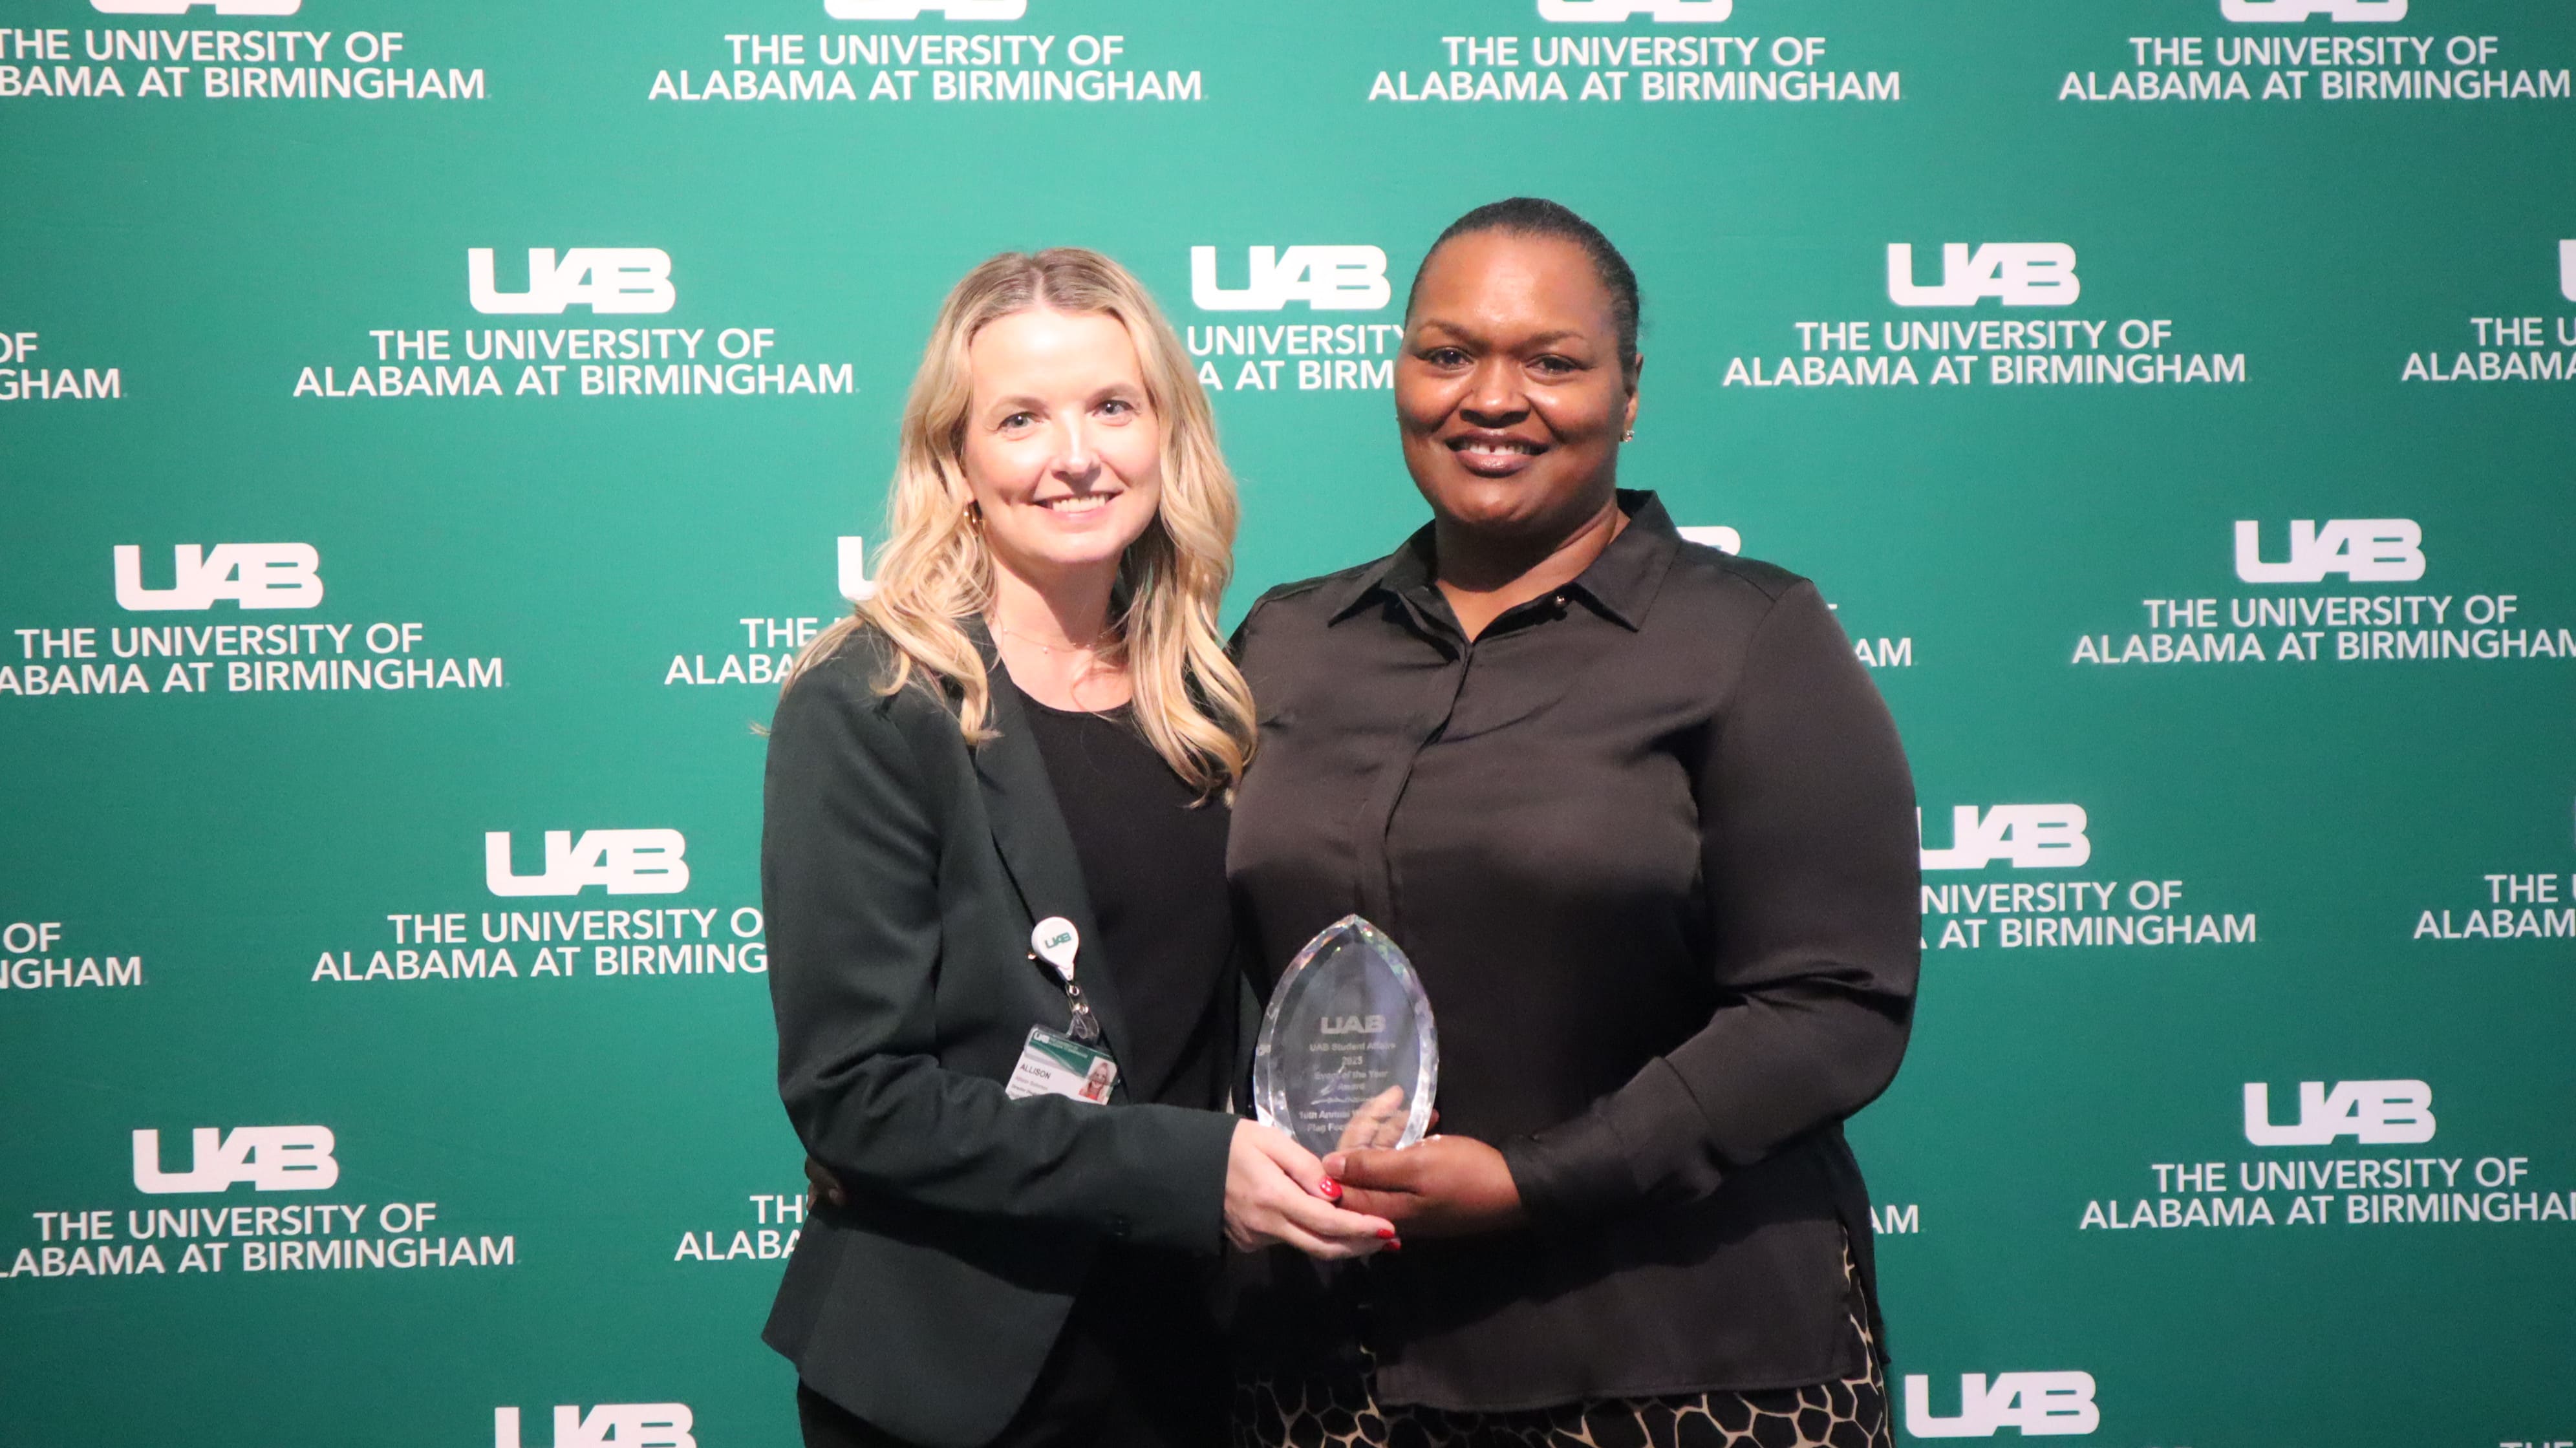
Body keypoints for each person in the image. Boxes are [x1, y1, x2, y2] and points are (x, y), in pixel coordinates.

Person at [1225, 199, 1920, 1447]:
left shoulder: (1751, 638)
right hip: (1335, 1376)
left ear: (1630, 391)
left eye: (1551, 360)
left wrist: (1532, 1183)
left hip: (1678, 1371)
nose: (1491, 398)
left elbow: (1833, 1006)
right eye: (1447, 354)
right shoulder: (1287, 643)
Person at [763, 248, 1393, 1448]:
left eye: (1113, 406)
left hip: (1198, 1354)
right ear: (955, 461)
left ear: (1168, 431)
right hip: (965, 1374)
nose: (1075, 457)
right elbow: (858, 1099)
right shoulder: (877, 702)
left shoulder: (1210, 693)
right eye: (1019, 419)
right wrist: (1189, 1171)